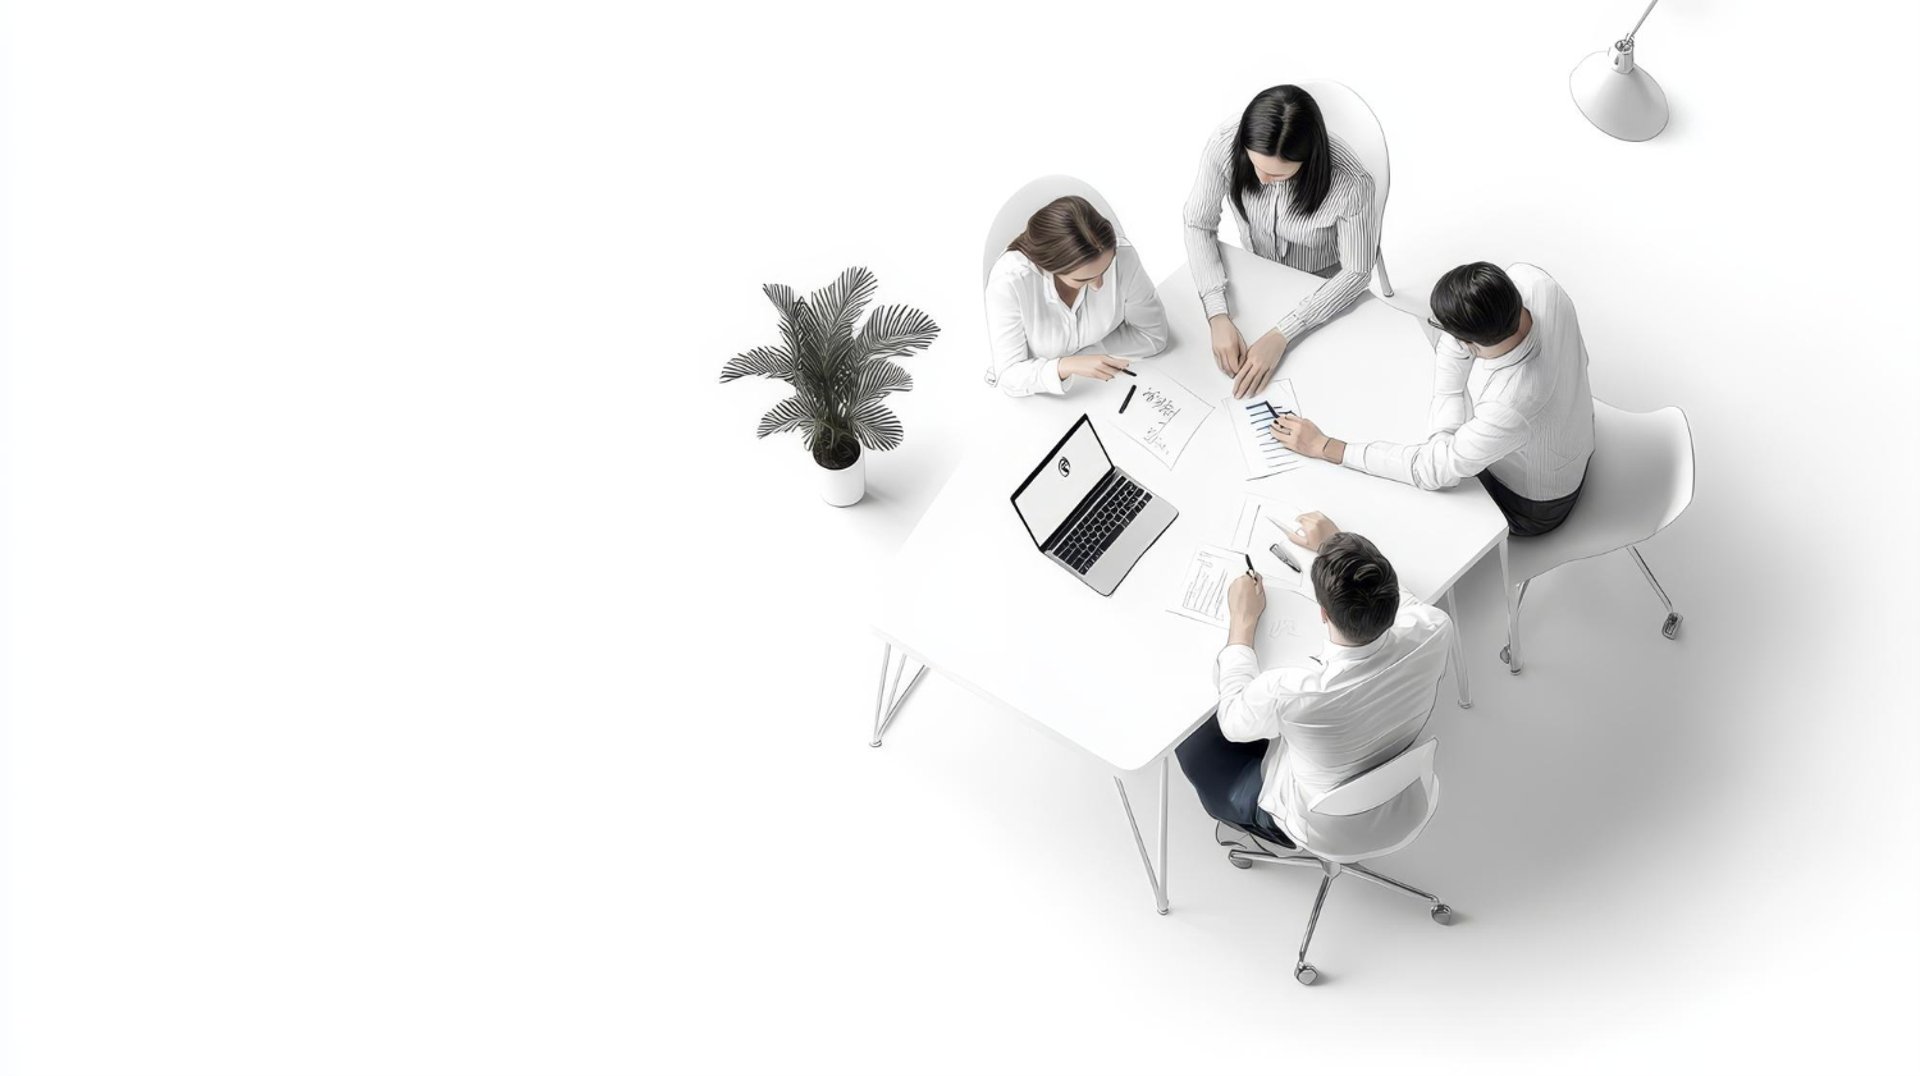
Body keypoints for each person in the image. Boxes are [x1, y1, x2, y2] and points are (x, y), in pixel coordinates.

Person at [1174, 513, 1452, 858]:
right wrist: (1337, 544)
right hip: (1407, 800)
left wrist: (1243, 623)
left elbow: (1233, 722)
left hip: (1317, 828)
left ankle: (1264, 831)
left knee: (1191, 741)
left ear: (1323, 613)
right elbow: (1410, 604)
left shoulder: (1294, 691)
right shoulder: (1436, 629)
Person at [1268, 262, 1597, 538]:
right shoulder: (1533, 282)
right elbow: (1454, 348)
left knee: (1409, 500)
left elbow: (1431, 471)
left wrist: (1326, 446)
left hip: (1533, 507)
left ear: (1472, 343)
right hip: (1576, 436)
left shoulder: (1510, 405)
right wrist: (1445, 433)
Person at [1183, 85, 1381, 400]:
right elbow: (1197, 222)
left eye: (1278, 176)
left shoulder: (1351, 183)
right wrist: (1217, 313)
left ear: (1308, 161)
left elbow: (1357, 272)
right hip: (1257, 266)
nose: (1262, 181)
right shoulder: (1224, 144)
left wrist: (1282, 335)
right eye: (1257, 167)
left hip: (1320, 278)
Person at [984, 195, 1169, 397]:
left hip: (1103, 392)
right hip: (1043, 404)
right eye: (1082, 279)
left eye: (1105, 270)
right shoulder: (1010, 281)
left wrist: (1080, 360)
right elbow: (1010, 378)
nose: (1099, 285)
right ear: (1050, 267)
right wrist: (1065, 366)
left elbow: (1153, 336)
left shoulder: (1123, 256)